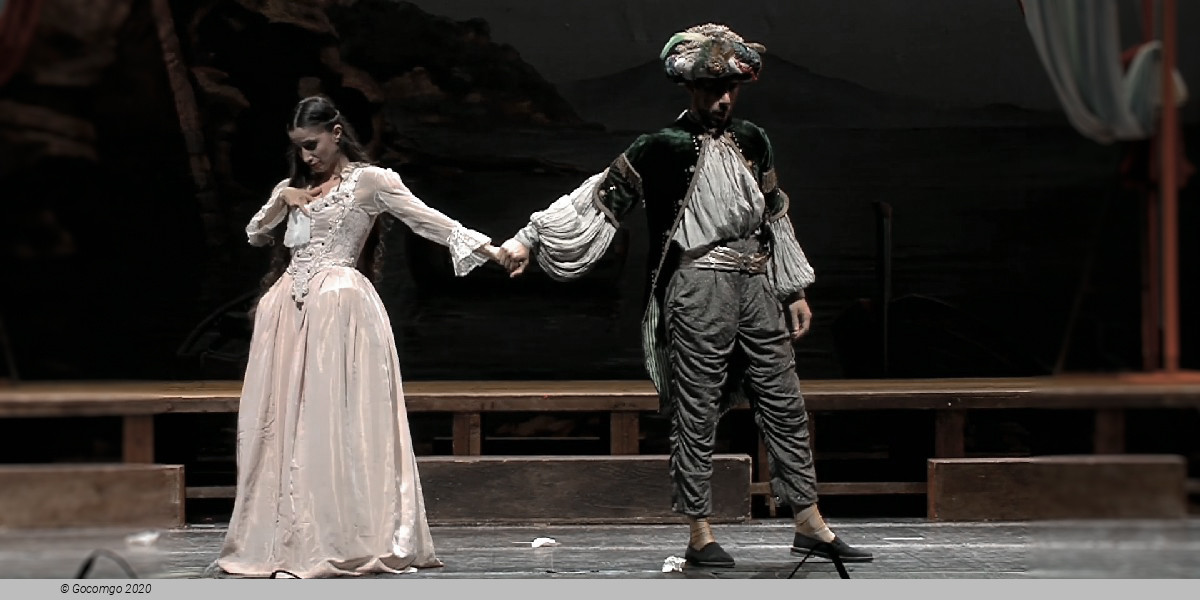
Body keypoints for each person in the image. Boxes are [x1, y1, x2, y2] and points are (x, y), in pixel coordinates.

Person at [497, 24, 873, 567]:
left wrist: (792, 287)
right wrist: (529, 239)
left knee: (785, 401)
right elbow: (600, 195)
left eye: (729, 89)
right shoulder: (661, 146)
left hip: (756, 281)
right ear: (691, 88)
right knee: (696, 406)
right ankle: (699, 532)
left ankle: (810, 523)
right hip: (698, 285)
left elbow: (773, 212)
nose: (722, 100)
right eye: (711, 89)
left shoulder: (753, 139)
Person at [216, 95, 505, 578]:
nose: (307, 155)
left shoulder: (371, 181)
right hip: (286, 313)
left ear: (336, 133)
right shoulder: (294, 188)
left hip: (338, 309)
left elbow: (425, 217)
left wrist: (490, 250)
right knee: (283, 424)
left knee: (334, 421)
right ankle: (288, 535)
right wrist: (282, 200)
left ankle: (343, 532)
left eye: (313, 144)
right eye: (299, 147)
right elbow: (256, 233)